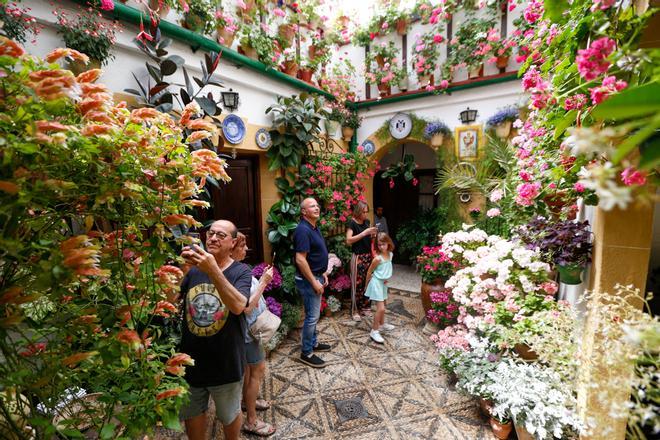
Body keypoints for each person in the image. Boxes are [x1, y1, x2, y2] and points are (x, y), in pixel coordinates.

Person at [178, 220, 252, 440]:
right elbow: (168, 298)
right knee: (192, 414)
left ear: (233, 242)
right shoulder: (193, 270)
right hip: (191, 362)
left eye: (221, 235)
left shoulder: (241, 272)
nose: (212, 238)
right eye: (210, 233)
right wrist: (182, 270)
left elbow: (239, 306)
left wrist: (212, 270)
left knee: (229, 416)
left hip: (226, 364)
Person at [230, 233, 276, 437]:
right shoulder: (236, 273)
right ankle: (251, 421)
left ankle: (249, 400)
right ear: (232, 249)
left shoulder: (235, 270)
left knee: (249, 372)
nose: (246, 249)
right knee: (256, 371)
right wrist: (265, 281)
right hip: (249, 332)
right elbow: (247, 307)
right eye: (243, 245)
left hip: (247, 332)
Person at [294, 197, 331, 368]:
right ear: (303, 212)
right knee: (312, 317)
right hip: (308, 280)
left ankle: (313, 343)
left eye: (317, 205)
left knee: (313, 315)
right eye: (312, 206)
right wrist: (314, 282)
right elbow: (300, 259)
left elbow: (315, 254)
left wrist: (323, 273)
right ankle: (306, 352)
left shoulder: (313, 227)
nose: (316, 208)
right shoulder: (303, 230)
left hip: (317, 275)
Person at [346, 201, 378, 321]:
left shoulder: (367, 222)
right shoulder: (352, 223)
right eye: (364, 212)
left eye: (367, 212)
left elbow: (369, 240)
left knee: (368, 282)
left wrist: (372, 235)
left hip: (368, 257)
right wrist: (364, 233)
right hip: (358, 257)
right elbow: (348, 240)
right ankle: (355, 310)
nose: (366, 214)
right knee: (357, 284)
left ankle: (365, 307)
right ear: (358, 211)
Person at [365, 233, 395, 344]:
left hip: (383, 283)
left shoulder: (390, 255)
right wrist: (366, 284)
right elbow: (369, 271)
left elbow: (386, 268)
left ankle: (382, 324)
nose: (382, 247)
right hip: (376, 283)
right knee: (381, 308)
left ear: (388, 243)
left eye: (384, 244)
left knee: (384, 304)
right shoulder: (377, 259)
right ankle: (374, 330)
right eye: (379, 245)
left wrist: (386, 277)